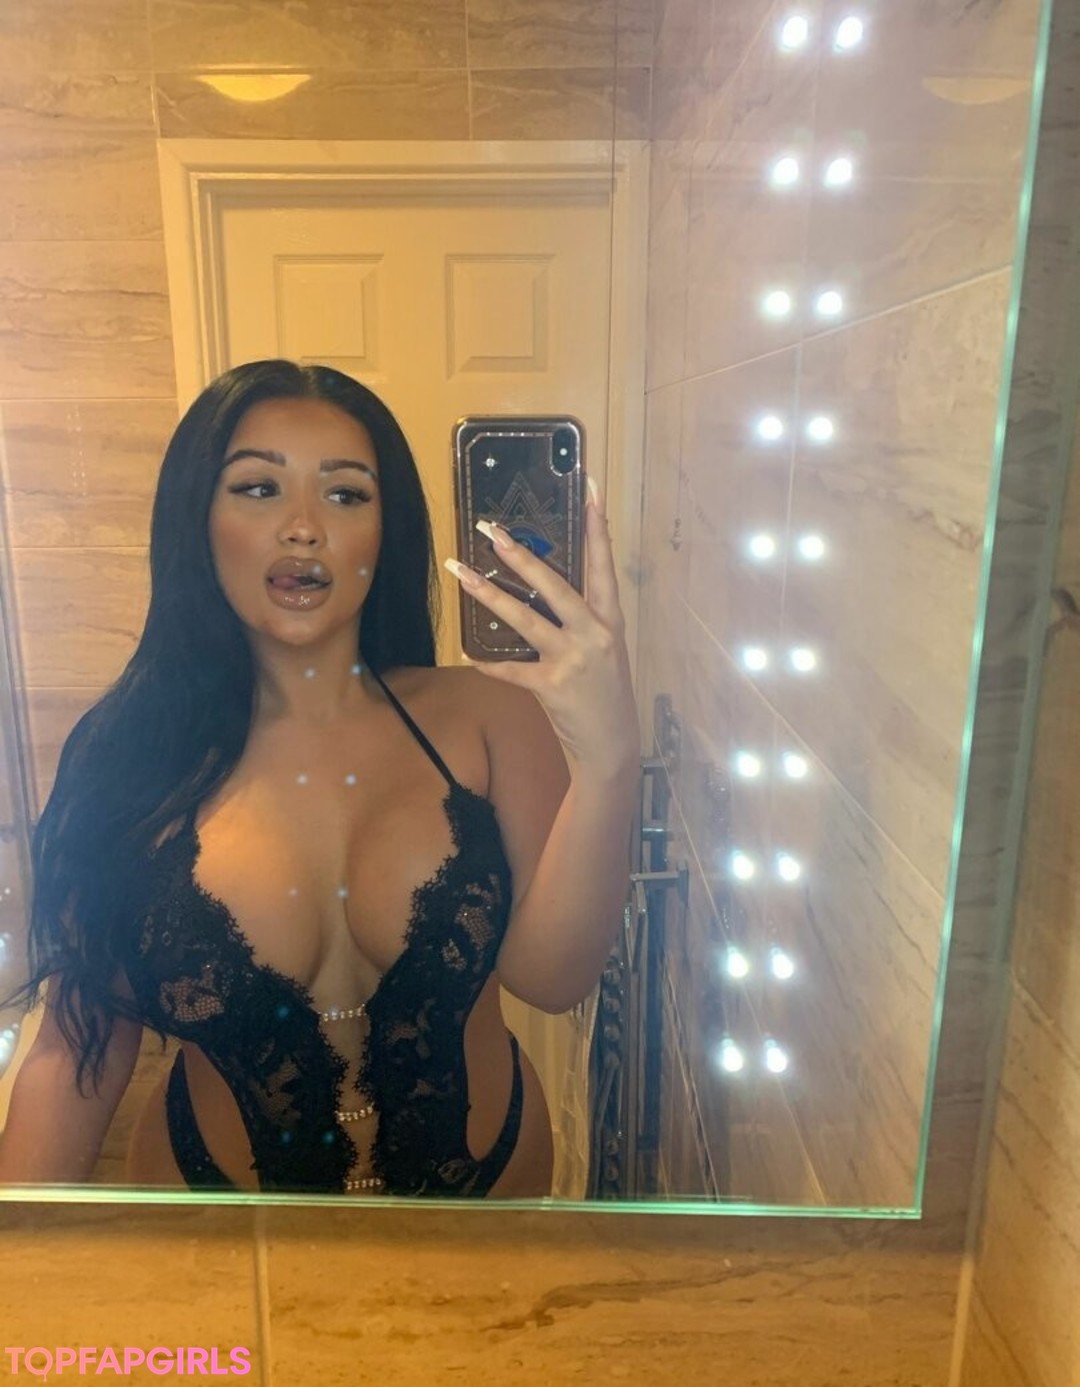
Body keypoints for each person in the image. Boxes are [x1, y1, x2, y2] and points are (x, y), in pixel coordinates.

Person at [0, 360, 639, 1197]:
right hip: (223, 1221)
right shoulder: (129, 755)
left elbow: (553, 978)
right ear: (197, 518)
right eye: (258, 488)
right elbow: (76, 1043)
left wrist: (609, 756)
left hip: (488, 1204)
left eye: (345, 494)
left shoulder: (488, 715)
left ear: (385, 531)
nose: (303, 527)